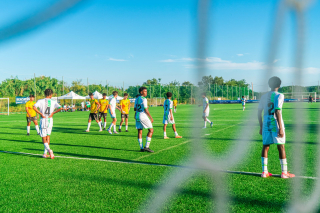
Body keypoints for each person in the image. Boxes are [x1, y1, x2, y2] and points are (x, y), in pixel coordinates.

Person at [258, 76, 295, 179]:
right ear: (279, 85)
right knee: (281, 146)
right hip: (275, 123)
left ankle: (264, 172)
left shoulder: (263, 96)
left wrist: (261, 126)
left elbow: (259, 112)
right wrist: (281, 128)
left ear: (269, 85)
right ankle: (284, 173)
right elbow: (277, 111)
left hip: (266, 123)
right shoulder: (280, 95)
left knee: (265, 146)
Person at [33, 89, 63, 159]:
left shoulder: (40, 101)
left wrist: (40, 113)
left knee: (43, 137)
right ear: (51, 94)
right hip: (50, 120)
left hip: (43, 119)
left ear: (45, 94)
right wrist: (53, 113)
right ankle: (44, 153)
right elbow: (60, 108)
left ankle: (49, 150)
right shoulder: (53, 101)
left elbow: (34, 107)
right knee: (48, 135)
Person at [134, 87, 154, 152]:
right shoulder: (144, 99)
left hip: (137, 115)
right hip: (142, 116)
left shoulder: (136, 99)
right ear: (141, 92)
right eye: (145, 91)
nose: (146, 92)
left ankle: (141, 148)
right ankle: (147, 147)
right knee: (151, 130)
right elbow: (146, 110)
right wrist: (151, 117)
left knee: (140, 131)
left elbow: (135, 109)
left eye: (146, 91)